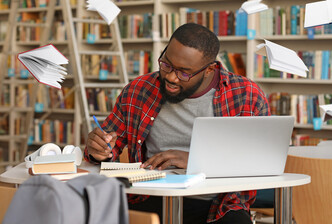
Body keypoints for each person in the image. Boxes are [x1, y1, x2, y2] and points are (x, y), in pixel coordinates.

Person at [84, 23, 270, 224]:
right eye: (167, 65)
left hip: (219, 204)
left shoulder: (246, 95)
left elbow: (261, 163)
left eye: (184, 72)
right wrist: (99, 149)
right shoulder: (139, 90)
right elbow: (107, 148)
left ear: (209, 69)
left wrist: (195, 162)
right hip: (150, 197)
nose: (171, 77)